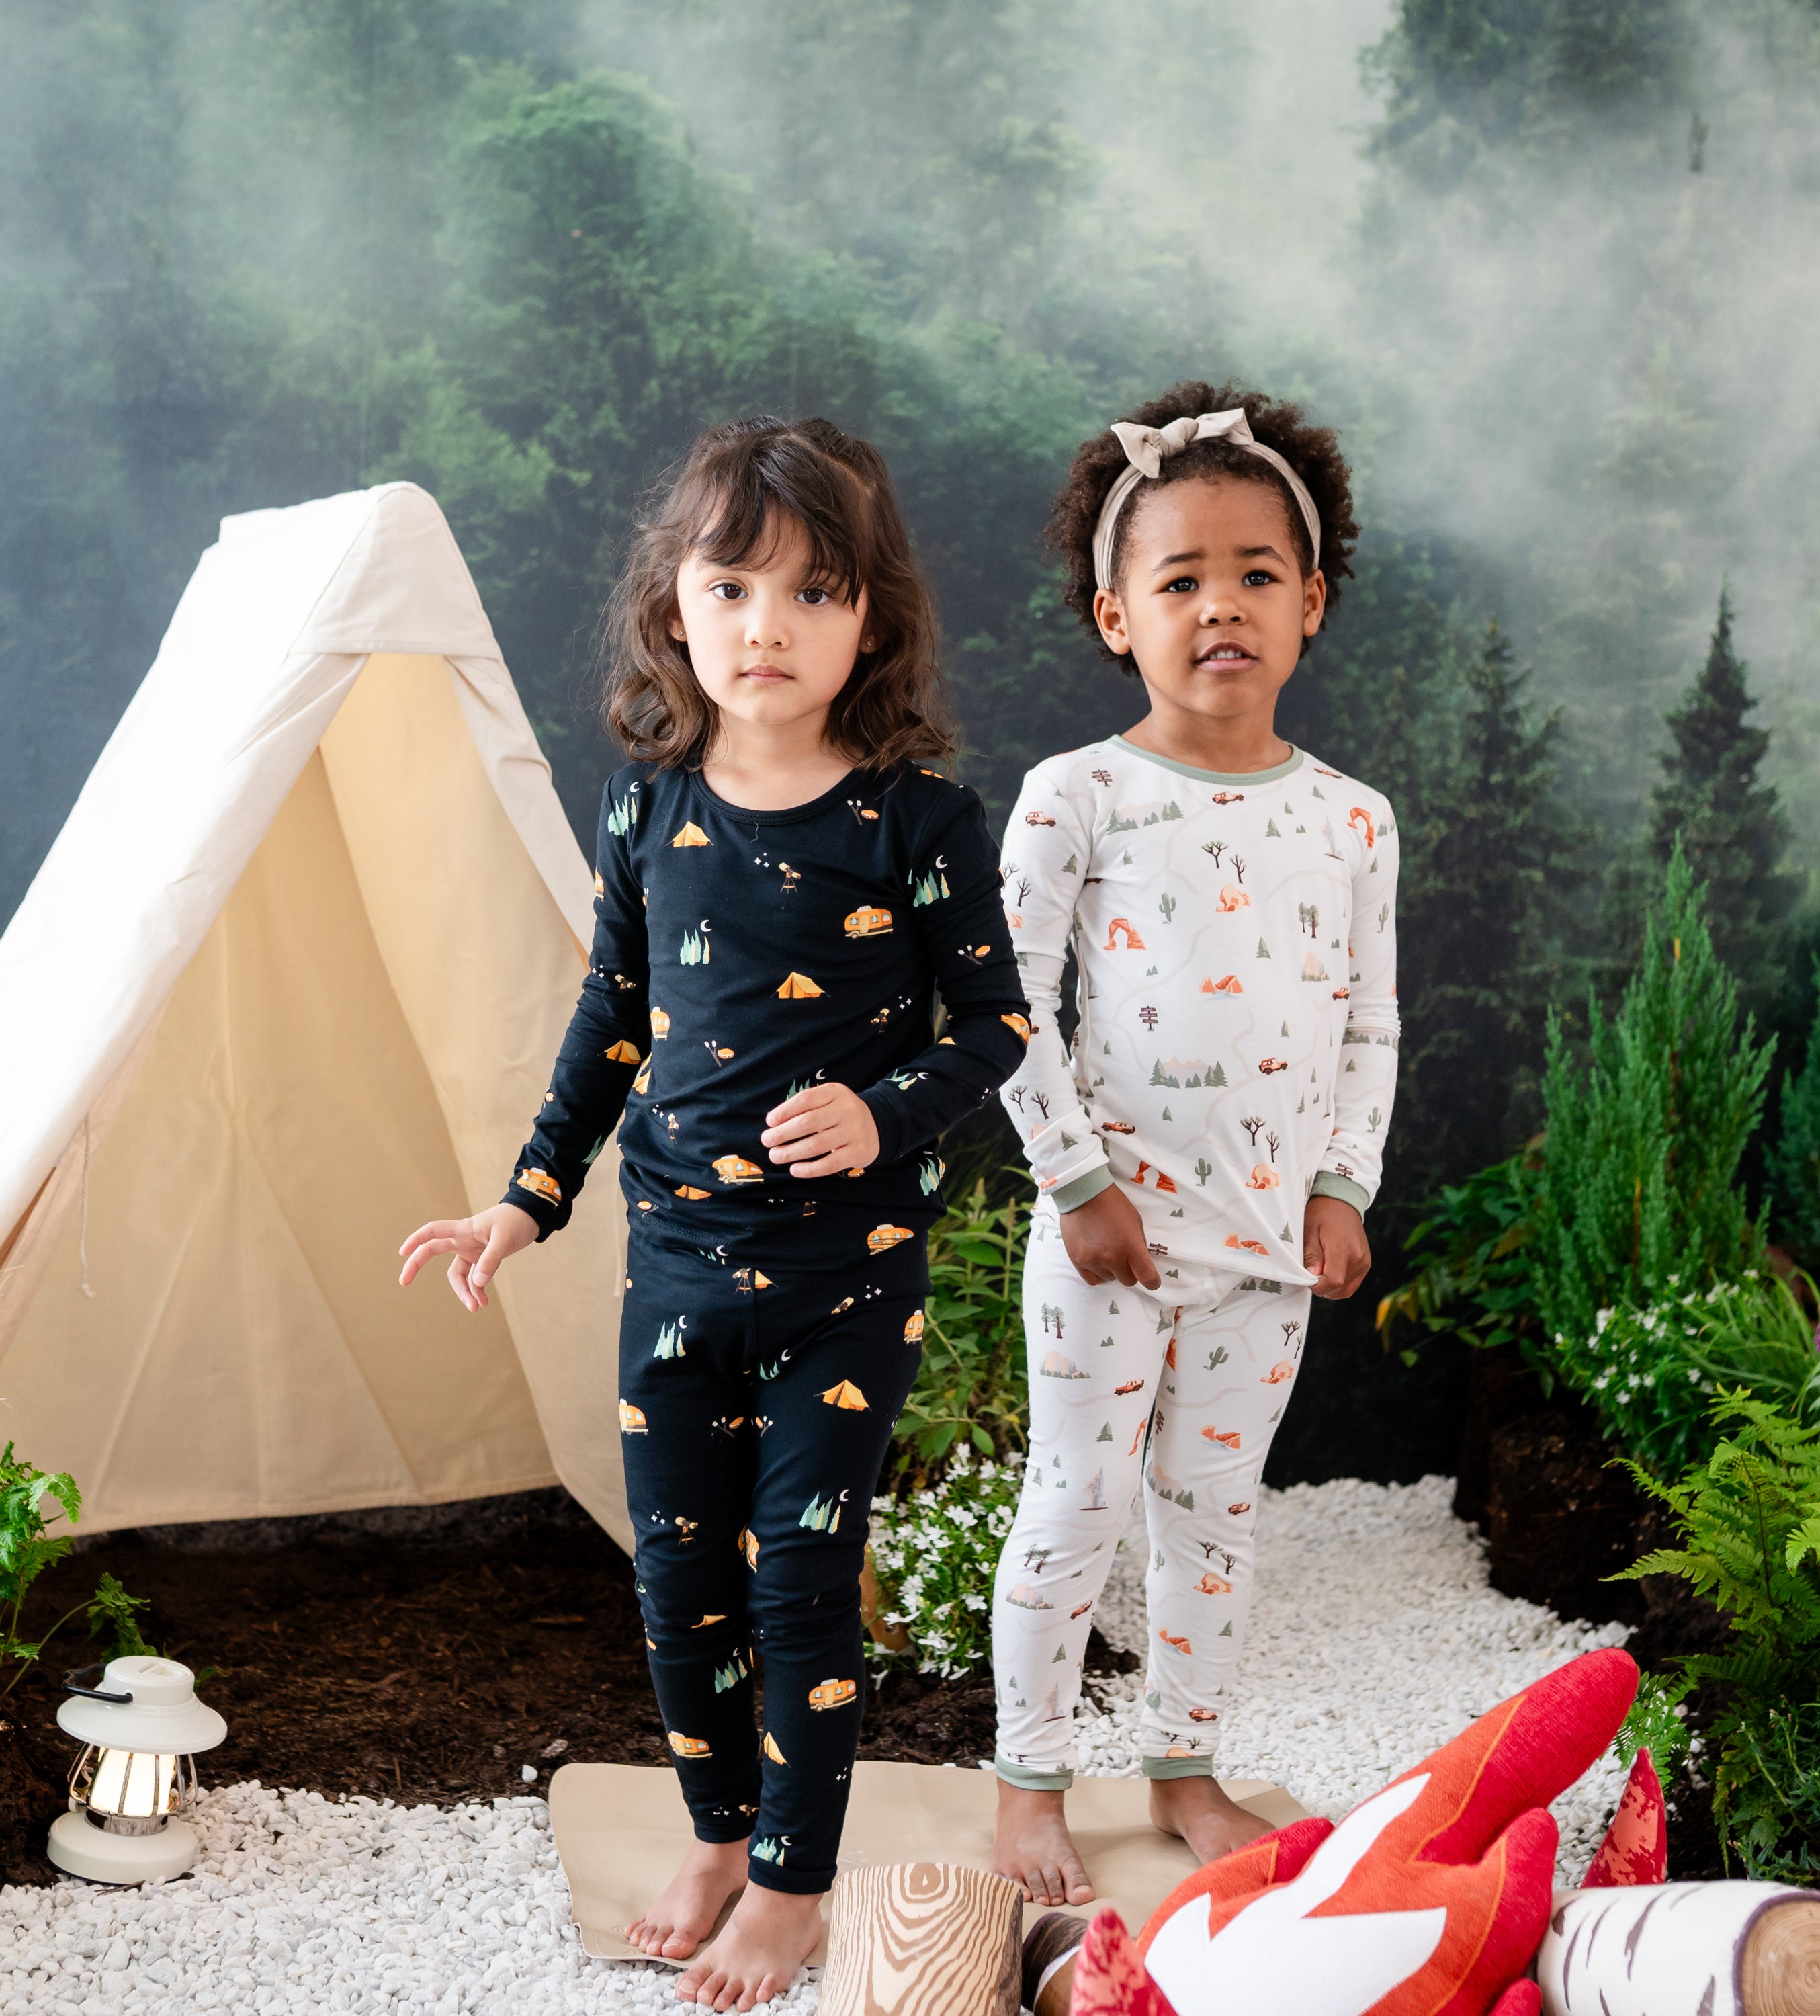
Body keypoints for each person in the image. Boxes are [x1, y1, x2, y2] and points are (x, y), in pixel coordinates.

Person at [398, 416, 1027, 2012]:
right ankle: (721, 1834)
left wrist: (883, 1110)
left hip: (846, 1285)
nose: (767, 625)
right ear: (673, 608)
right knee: (677, 1587)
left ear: (871, 619)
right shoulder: (647, 809)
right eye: (732, 586)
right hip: (674, 1276)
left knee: (798, 1589)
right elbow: (611, 1022)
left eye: (814, 592)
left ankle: (796, 1889)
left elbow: (995, 1029)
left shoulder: (919, 820)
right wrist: (524, 1204)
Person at [988, 384, 1400, 1907]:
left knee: (1215, 1518)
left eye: (1255, 574)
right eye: (1180, 580)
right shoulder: (1079, 797)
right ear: (1118, 617)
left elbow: (1371, 1022)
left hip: (1267, 1251)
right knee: (1077, 1503)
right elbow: (1005, 1001)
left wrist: (1344, 1184)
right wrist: (1077, 1182)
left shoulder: (1354, 822)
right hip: (1112, 1237)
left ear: (1311, 603)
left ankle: (1183, 1763)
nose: (1220, 605)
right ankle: (1029, 1779)